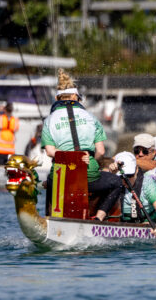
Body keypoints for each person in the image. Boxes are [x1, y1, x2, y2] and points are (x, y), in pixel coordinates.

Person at [41, 69, 123, 221]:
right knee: (117, 183)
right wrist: (88, 160)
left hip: (61, 176)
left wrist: (71, 158)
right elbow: (100, 151)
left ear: (56, 98)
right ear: (75, 97)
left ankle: (49, 218)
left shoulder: (49, 120)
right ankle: (99, 217)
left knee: (51, 180)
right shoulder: (92, 118)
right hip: (88, 175)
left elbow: (50, 152)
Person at [113, 151, 156, 238]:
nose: (126, 180)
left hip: (147, 222)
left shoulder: (147, 183)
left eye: (130, 175)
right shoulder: (114, 179)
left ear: (137, 170)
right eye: (122, 177)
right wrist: (110, 172)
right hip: (123, 223)